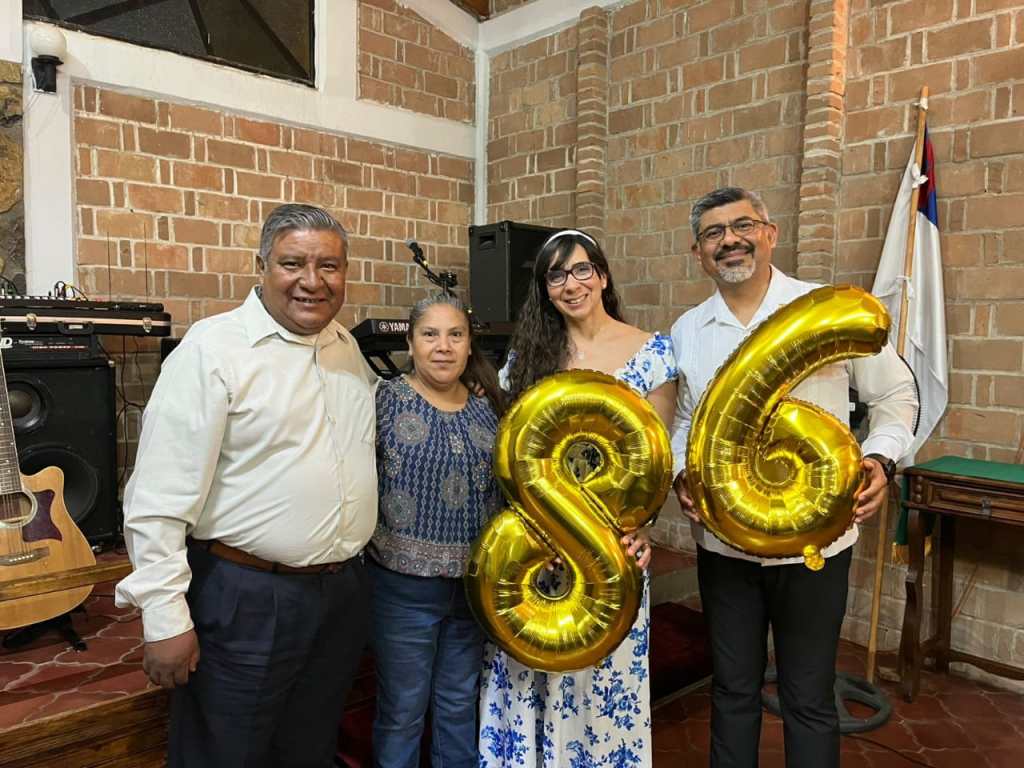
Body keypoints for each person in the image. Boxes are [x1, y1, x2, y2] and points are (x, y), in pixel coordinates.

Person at [115, 204, 378, 768]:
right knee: (224, 754)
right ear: (261, 265)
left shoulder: (345, 347)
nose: (312, 281)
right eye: (293, 263)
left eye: (329, 266)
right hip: (247, 598)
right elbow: (156, 498)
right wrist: (163, 616)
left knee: (307, 752)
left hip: (338, 598)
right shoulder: (213, 350)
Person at [670, 187, 919, 767]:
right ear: (698, 252)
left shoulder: (819, 307)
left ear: (770, 233)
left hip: (817, 546)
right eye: (713, 233)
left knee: (808, 696)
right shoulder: (687, 330)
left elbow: (897, 396)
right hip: (724, 548)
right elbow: (683, 418)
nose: (730, 240)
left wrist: (880, 459)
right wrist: (683, 471)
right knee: (732, 690)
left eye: (743, 225)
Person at [478, 229, 678, 768]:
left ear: (603, 276)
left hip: (606, 548)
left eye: (582, 269)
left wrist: (645, 527)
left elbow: (655, 459)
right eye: (557, 275)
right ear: (545, 289)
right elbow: (508, 442)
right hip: (536, 543)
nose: (571, 284)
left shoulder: (652, 352)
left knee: (599, 673)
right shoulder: (528, 355)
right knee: (530, 663)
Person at [369, 292, 505, 768]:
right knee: (402, 712)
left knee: (458, 705)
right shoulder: (385, 399)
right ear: (410, 342)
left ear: (469, 345)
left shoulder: (489, 408)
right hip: (402, 591)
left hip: (471, 590)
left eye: (455, 335)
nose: (443, 346)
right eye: (430, 334)